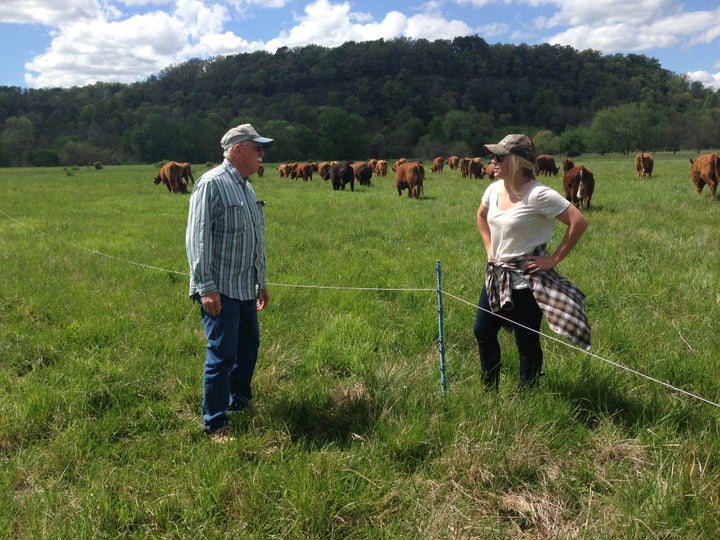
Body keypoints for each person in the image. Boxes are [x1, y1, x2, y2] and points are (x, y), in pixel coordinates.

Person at [473, 134, 590, 391]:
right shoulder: (493, 190)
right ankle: (489, 388)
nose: (493, 161)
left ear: (517, 162)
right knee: (483, 331)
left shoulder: (539, 194)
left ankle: (527, 394)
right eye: (493, 156)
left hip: (527, 280)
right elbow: (481, 217)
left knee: (526, 341)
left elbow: (578, 221)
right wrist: (489, 248)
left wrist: (553, 259)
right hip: (497, 275)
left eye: (499, 157)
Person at [185, 123, 273, 442]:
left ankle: (239, 404)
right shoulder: (212, 184)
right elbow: (197, 237)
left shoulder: (247, 187)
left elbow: (254, 239)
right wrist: (206, 287)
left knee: (248, 349)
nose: (262, 154)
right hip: (221, 289)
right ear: (238, 150)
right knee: (222, 356)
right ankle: (215, 423)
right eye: (257, 148)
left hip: (245, 287)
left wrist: (260, 280)